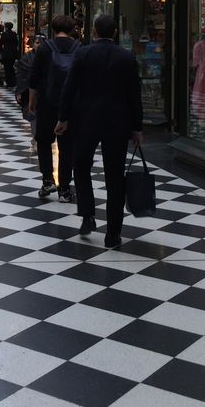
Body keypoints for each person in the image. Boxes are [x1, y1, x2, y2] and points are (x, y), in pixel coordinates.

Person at [56, 13, 143, 248]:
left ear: (94, 32)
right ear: (114, 33)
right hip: (118, 123)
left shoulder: (83, 54)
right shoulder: (127, 57)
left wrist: (63, 118)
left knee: (81, 166)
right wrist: (137, 127)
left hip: (86, 121)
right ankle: (113, 232)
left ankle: (87, 214)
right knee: (115, 176)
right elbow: (135, 94)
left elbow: (70, 88)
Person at [28, 15, 79, 200]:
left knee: (43, 141)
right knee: (67, 146)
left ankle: (47, 180)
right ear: (72, 28)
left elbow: (34, 77)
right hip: (70, 104)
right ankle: (65, 188)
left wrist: (32, 100)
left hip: (47, 102)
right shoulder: (79, 48)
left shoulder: (45, 48)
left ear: (53, 28)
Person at [15, 36, 43, 153]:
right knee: (33, 116)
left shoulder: (49, 57)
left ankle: (39, 139)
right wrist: (19, 92)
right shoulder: (26, 59)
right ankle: (36, 139)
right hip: (29, 92)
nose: (39, 45)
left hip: (44, 92)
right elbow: (21, 76)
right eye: (37, 43)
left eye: (41, 43)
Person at [0, 22, 19, 88]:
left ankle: (9, 82)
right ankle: (13, 81)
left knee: (7, 68)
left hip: (6, 53)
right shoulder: (14, 34)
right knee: (11, 67)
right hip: (13, 53)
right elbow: (16, 43)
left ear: (6, 27)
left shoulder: (4, 34)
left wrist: (0, 52)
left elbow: (1, 43)